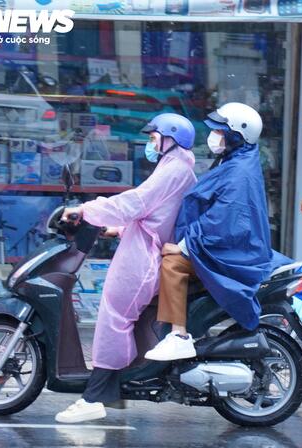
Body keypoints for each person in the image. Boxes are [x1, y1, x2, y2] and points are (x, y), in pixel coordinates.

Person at [55, 113, 197, 423]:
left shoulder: (175, 168)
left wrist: (86, 209)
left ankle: (93, 398)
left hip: (143, 258)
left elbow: (137, 203)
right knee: (122, 319)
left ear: (170, 138)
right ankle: (114, 391)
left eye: (153, 136)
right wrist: (116, 229)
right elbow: (156, 215)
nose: (150, 142)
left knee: (113, 317)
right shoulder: (176, 166)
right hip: (141, 247)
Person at [144, 102, 273, 361]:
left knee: (172, 264)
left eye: (220, 132)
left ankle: (179, 336)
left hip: (233, 254)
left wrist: (182, 246)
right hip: (229, 246)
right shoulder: (235, 161)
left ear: (237, 135)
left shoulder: (238, 171)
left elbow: (222, 219)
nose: (214, 137)